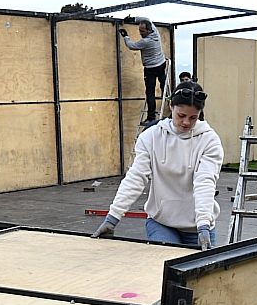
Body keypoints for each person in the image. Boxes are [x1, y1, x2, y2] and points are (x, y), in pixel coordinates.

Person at [92, 83, 221, 248]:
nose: (186, 122)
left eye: (193, 117)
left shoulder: (209, 141)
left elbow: (205, 183)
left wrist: (203, 226)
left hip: (198, 227)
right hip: (162, 222)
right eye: (181, 115)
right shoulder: (151, 137)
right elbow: (136, 178)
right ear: (171, 106)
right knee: (165, 266)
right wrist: (113, 217)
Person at [120, 17, 167, 125]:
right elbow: (146, 18)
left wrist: (125, 36)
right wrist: (133, 18)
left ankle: (151, 117)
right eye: (139, 30)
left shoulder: (146, 41)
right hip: (161, 62)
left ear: (149, 31)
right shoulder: (155, 31)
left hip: (151, 68)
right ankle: (165, 89)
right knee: (162, 80)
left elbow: (132, 46)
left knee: (150, 93)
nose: (140, 33)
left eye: (142, 31)